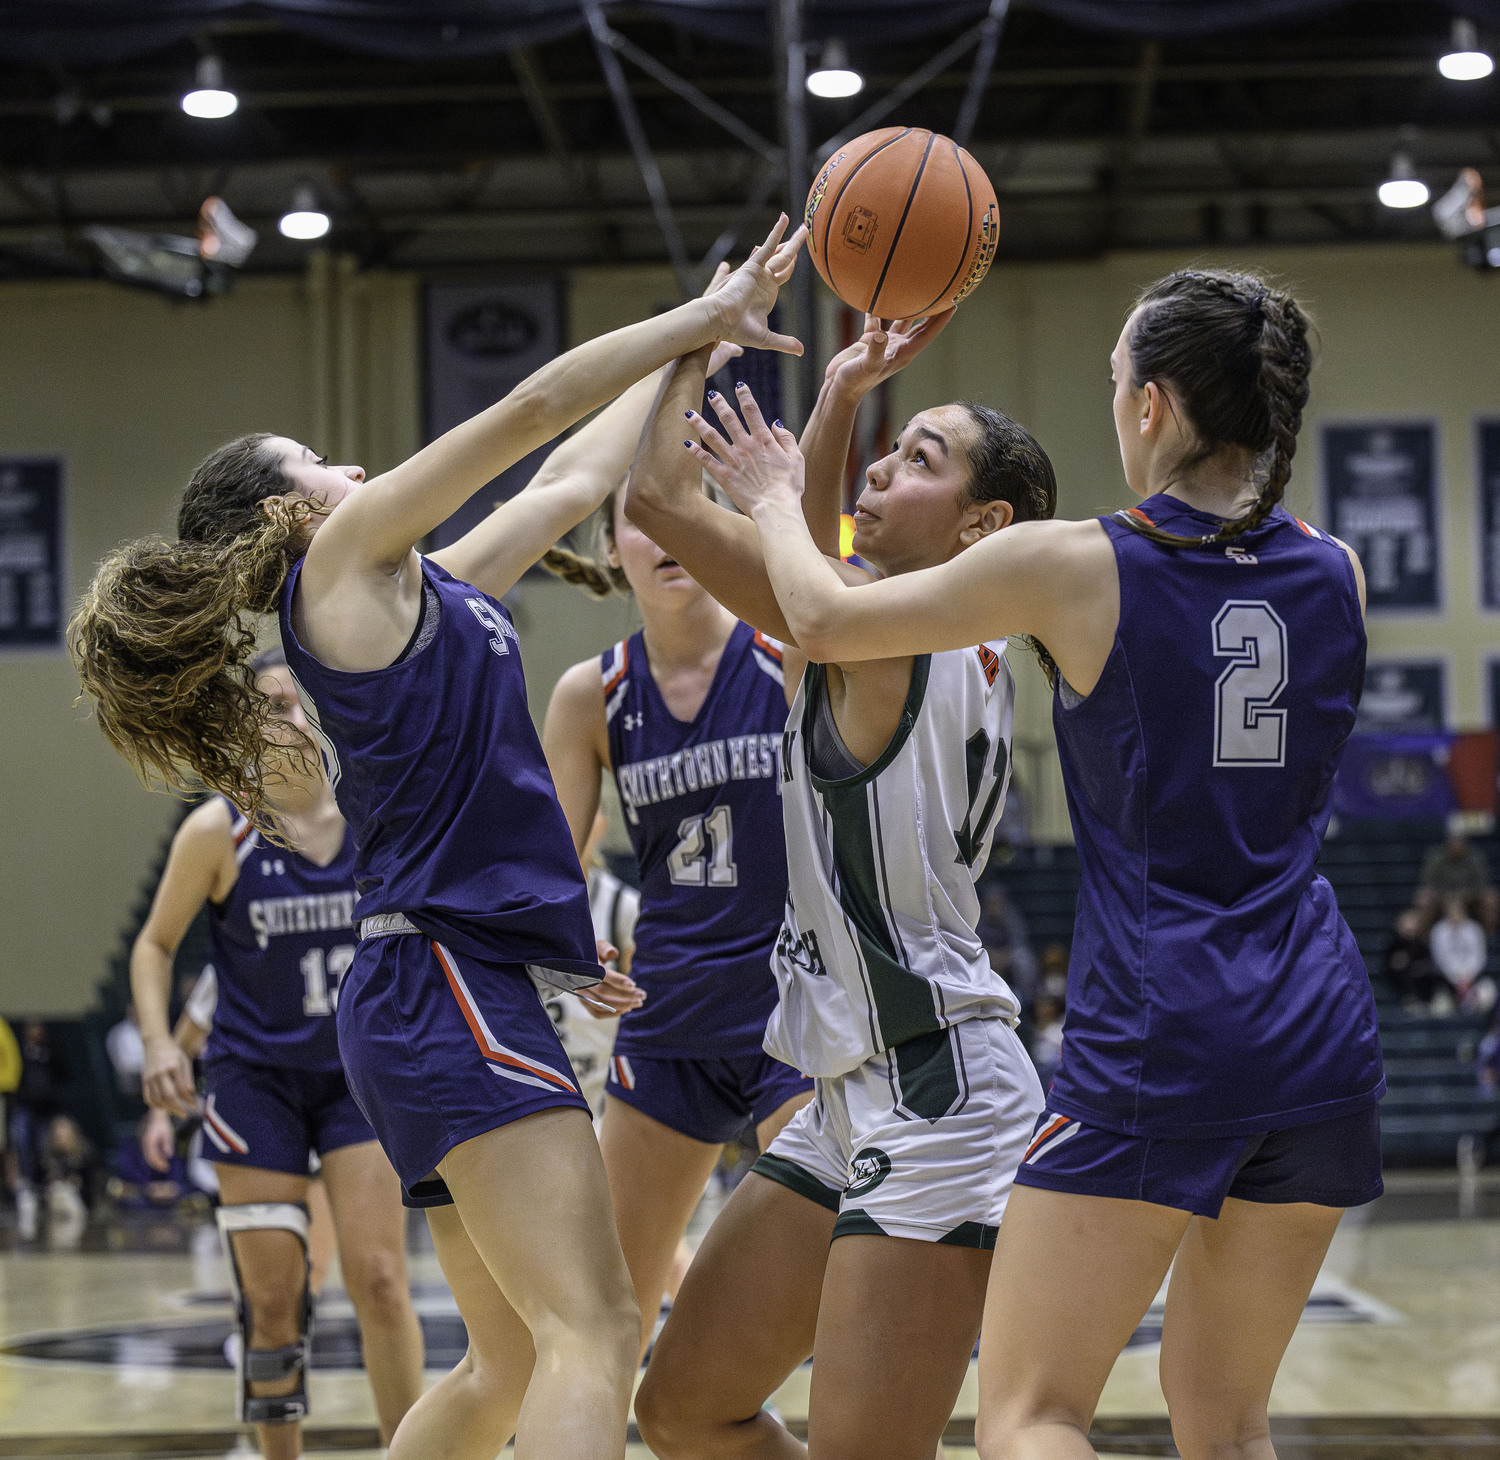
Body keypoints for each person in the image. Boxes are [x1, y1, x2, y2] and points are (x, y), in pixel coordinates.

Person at [70, 218, 802, 1460]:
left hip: (446, 981)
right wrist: (695, 315)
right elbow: (524, 409)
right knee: (594, 1330)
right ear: (278, 514)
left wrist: (692, 360)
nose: (345, 464)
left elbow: (568, 480)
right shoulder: (340, 565)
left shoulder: (421, 587)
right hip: (442, 983)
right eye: (313, 459)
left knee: (511, 1357)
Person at [695, 269, 1387, 1460]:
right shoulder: (1338, 570)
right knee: (1228, 1419)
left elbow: (818, 617)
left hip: (1167, 1024)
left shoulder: (1080, 565)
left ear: (1154, 406)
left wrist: (766, 492)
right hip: (1320, 1024)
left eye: (1116, 383)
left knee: (1032, 1413)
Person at [626, 313, 1051, 1460]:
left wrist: (775, 483)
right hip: (850, 1089)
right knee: (680, 1407)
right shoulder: (863, 624)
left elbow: (800, 580)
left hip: (940, 1091)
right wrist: (725, 351)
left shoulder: (902, 641)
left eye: (923, 456)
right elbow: (657, 508)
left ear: (985, 525)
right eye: (891, 444)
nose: (882, 464)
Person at [541, 466, 813, 1360]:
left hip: (795, 1009)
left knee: (821, 1282)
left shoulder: (790, 654)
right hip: (667, 1017)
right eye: (641, 522)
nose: (665, 540)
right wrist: (575, 948)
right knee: (607, 1303)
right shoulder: (594, 695)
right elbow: (549, 865)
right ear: (612, 549)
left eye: (686, 516)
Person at [129, 648, 424, 1460]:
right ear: (242, 723)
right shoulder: (217, 829)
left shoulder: (375, 815)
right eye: (275, 704)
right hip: (254, 1080)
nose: (295, 718)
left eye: (305, 702)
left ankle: (409, 1449)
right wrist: (159, 1042)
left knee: (381, 1280)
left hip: (356, 1078)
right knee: (272, 1299)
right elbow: (154, 946)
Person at [1416, 831, 1499, 936]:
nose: (1456, 845)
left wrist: (1465, 894)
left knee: (1491, 898)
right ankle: (1424, 939)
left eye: (1459, 841)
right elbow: (1429, 882)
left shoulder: (1475, 857)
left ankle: (1488, 937)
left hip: (1470, 897)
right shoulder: (1436, 857)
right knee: (1424, 898)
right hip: (1442, 896)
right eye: (1453, 841)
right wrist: (1448, 895)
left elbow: (1481, 882)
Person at [1429, 894, 1493, 1014]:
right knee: (1440, 1008)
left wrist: (1468, 977)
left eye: (1458, 909)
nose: (1455, 913)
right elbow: (1440, 959)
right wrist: (1457, 978)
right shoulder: (1438, 931)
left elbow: (1479, 956)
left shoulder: (1474, 928)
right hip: (1447, 981)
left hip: (1473, 978)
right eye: (1452, 909)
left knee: (1488, 995)